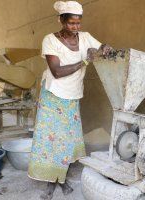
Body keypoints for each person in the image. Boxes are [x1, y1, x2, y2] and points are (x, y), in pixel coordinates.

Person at [27, 1, 112, 199]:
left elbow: (101, 49)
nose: (75, 27)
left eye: (78, 23)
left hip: (72, 96)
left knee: (66, 140)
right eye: (71, 23)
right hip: (53, 95)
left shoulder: (85, 37)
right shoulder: (50, 40)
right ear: (61, 20)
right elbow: (56, 71)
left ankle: (61, 178)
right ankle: (50, 182)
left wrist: (105, 48)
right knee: (51, 139)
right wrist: (84, 60)